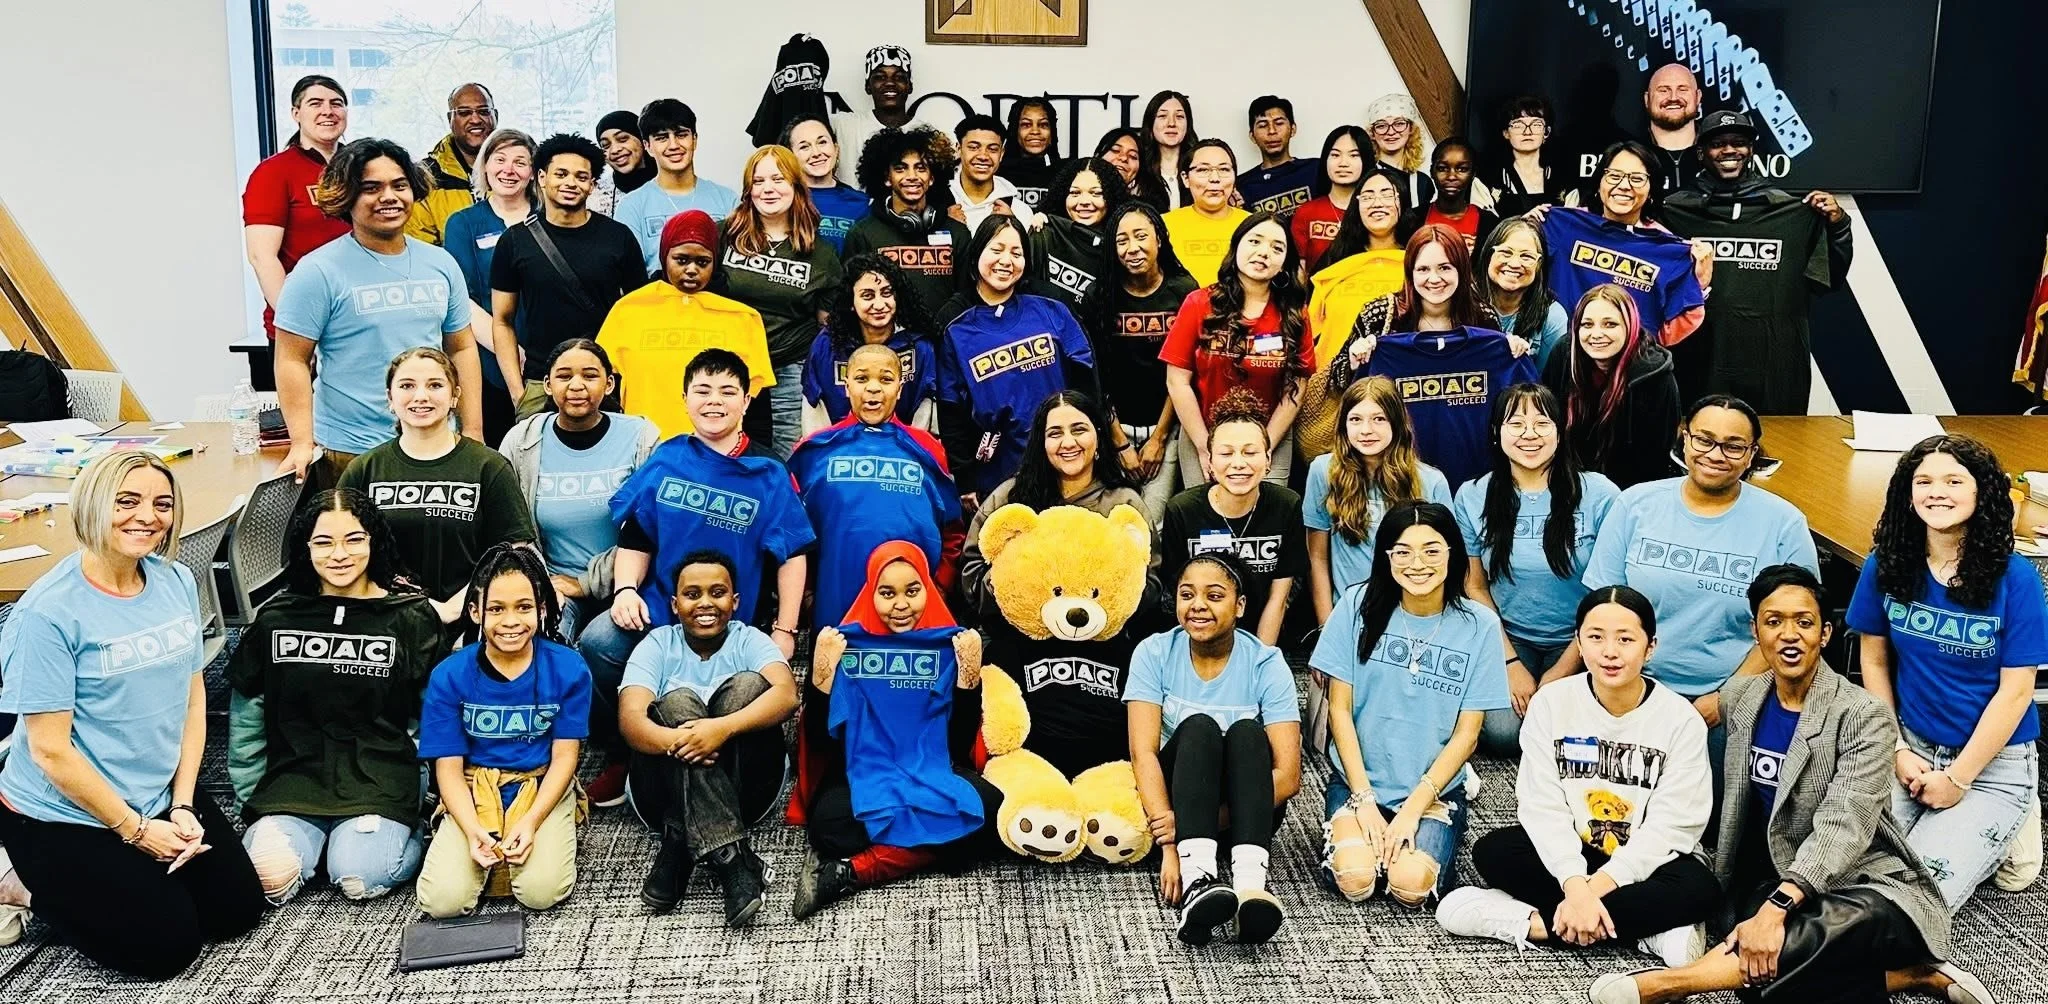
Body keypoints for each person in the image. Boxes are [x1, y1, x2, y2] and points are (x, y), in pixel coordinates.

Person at [1587, 564, 1990, 1004]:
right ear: (1755, 632)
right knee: (1767, 976)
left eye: (1804, 622)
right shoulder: (1740, 697)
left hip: (1862, 881)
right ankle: (1912, 976)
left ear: (1825, 633)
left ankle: (1672, 984)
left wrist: (1779, 908)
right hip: (1769, 873)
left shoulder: (1863, 715)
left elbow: (1845, 825)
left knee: (1789, 944)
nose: (1789, 635)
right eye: (1774, 621)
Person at [0, 452, 264, 979]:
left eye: (162, 504)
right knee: (165, 949)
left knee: (236, 912)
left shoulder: (175, 580)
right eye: (127, 501)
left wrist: (182, 803)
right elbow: (50, 752)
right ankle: (20, 886)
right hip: (62, 812)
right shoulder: (45, 614)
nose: (148, 516)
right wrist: (138, 832)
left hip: (155, 789)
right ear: (93, 505)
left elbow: (193, 699)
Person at [1438, 586, 1719, 969]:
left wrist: (1592, 891)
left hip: (1644, 857)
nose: (1610, 652)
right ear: (1579, 642)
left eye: (1625, 639)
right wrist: (1574, 883)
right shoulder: (1552, 703)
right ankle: (1645, 930)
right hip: (1576, 846)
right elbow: (1542, 805)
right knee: (1495, 851)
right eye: (1596, 637)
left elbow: (1672, 826)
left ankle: (1531, 923)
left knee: (1701, 889)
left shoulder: (1680, 719)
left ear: (1650, 647)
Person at [580, 349, 814, 805]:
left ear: (746, 401)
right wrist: (625, 590)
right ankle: (626, 750)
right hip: (660, 610)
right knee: (597, 641)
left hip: (728, 620)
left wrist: (785, 630)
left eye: (727, 391)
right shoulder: (666, 459)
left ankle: (731, 765)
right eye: (703, 390)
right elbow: (637, 536)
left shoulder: (769, 472)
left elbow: (793, 554)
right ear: (685, 399)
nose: (714, 401)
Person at [1851, 435, 2047, 913]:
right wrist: (1895, 748)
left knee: (1921, 892)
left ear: (1982, 492)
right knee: (1851, 862)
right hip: (1911, 743)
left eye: (1954, 481)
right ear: (1907, 492)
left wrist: (1958, 779)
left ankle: (2014, 815)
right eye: (1924, 481)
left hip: (1992, 759)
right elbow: (1873, 661)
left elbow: (2016, 692)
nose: (1937, 492)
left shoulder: (2016, 577)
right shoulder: (1886, 563)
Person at [228, 488, 446, 906]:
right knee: (268, 878)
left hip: (380, 777)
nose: (339, 554)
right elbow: (246, 718)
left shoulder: (411, 617)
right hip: (295, 779)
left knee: (359, 877)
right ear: (305, 547)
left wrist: (425, 790)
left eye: (354, 539)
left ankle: (405, 830)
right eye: (324, 542)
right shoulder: (276, 619)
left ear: (374, 541)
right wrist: (251, 796)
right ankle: (318, 839)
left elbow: (433, 717)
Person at [1583, 395, 1819, 737]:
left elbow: (1794, 630)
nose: (1715, 455)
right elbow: (1604, 606)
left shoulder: (1784, 524)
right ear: (1685, 439)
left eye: (1733, 446)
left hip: (1734, 697)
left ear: (1752, 454)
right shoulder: (1634, 504)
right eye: (1704, 440)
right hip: (1630, 686)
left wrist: (1726, 697)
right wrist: (1628, 687)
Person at [787, 543, 1001, 919]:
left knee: (994, 811)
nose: (901, 604)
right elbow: (822, 741)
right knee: (828, 826)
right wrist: (821, 680)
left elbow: (957, 747)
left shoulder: (950, 645)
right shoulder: (844, 646)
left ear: (928, 590)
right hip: (861, 773)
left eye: (912, 591)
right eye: (887, 593)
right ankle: (929, 847)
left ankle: (854, 871)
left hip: (933, 770)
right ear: (871, 592)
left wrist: (968, 682)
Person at [1312, 501, 1507, 907]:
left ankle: (1440, 824)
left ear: (1453, 553)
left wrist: (1412, 810)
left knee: (1410, 885)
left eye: (1431, 550)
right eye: (1402, 551)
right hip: (1359, 780)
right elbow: (1339, 711)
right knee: (1356, 878)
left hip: (1433, 788)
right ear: (1386, 557)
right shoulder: (1356, 605)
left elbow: (1468, 735)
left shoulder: (1481, 625)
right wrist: (1364, 801)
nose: (1417, 564)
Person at [273, 137, 484, 484]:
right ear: (346, 196)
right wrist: (301, 442)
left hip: (433, 444)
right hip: (350, 452)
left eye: (399, 185)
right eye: (371, 188)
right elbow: (292, 359)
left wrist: (472, 430)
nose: (389, 197)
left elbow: (460, 348)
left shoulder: (441, 263)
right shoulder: (317, 271)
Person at [1127, 551, 1302, 945]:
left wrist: (1202, 820)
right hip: (1175, 806)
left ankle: (1251, 889)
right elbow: (1143, 753)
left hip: (1243, 815)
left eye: (1214, 595)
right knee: (1200, 728)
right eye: (1187, 594)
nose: (1198, 605)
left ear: (1240, 606)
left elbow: (1289, 777)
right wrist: (1171, 843)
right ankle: (1198, 882)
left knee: (1247, 733)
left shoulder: (1266, 663)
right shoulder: (1154, 652)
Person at [620, 550, 797, 925]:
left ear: (735, 601)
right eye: (692, 594)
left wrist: (720, 729)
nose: (705, 603)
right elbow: (631, 720)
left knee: (748, 684)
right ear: (675, 604)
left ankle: (678, 840)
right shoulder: (657, 644)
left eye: (717, 593)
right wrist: (685, 742)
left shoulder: (749, 640)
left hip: (748, 791)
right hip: (658, 794)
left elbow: (787, 696)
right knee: (679, 702)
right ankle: (733, 858)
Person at [414, 544, 591, 919]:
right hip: (473, 785)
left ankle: (550, 829)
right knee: (442, 901)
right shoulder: (449, 675)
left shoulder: (569, 668)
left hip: (539, 782)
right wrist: (471, 829)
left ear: (542, 609)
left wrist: (531, 821)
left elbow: (565, 757)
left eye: (524, 607)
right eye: (496, 609)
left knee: (541, 892)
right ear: (475, 612)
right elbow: (448, 768)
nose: (511, 621)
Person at [1454, 383, 1619, 754]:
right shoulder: (1472, 495)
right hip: (1512, 637)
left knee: (1583, 731)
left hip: (1585, 639)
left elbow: (1609, 594)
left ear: (1560, 432)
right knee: (1502, 733)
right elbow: (1475, 586)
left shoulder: (1600, 494)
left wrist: (1563, 669)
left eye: (1542, 423)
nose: (1529, 434)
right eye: (1516, 423)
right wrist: (1510, 662)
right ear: (1497, 433)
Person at [1662, 110, 1854, 413]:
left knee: (1778, 440)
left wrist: (1839, 225)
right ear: (1701, 153)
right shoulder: (1673, 214)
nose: (1729, 150)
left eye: (1738, 142)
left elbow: (1828, 278)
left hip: (1773, 369)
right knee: (1697, 438)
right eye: (1718, 144)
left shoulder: (1791, 213)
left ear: (1751, 150)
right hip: (1697, 365)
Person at [338, 347, 535, 626]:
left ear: (455, 395)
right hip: (383, 619)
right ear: (390, 398)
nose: (421, 396)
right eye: (407, 386)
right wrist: (394, 602)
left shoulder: (489, 466)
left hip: (467, 620)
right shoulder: (364, 469)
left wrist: (454, 608)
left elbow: (514, 551)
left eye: (435, 385)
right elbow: (339, 549)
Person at [1337, 224, 1535, 488]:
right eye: (1423, 269)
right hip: (1396, 475)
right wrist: (1354, 360)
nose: (1434, 278)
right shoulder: (1380, 315)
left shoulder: (1482, 318)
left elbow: (1511, 397)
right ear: (1410, 272)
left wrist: (1511, 349)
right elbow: (1343, 385)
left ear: (1461, 269)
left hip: (1472, 477)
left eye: (1444, 268)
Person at [788, 343, 962, 626]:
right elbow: (793, 533)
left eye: (885, 379)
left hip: (913, 610)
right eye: (861, 378)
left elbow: (952, 529)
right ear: (846, 387)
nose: (873, 388)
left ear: (900, 389)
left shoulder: (928, 449)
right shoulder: (814, 451)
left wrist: (941, 585)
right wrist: (805, 594)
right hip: (836, 608)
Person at [497, 339, 660, 642]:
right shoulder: (522, 441)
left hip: (629, 585)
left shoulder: (640, 437)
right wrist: (541, 583)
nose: (576, 385)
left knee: (601, 642)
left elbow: (652, 526)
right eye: (564, 376)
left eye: (589, 375)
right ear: (547, 385)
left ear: (609, 384)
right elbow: (509, 528)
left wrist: (586, 584)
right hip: (549, 586)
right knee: (544, 636)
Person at [932, 215, 1097, 506]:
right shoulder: (954, 323)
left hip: (1065, 462)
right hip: (998, 473)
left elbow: (1087, 379)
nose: (1006, 261)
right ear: (977, 252)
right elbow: (951, 409)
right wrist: (965, 478)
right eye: (996, 250)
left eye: (1016, 252)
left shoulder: (1051, 305)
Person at [489, 132, 646, 423]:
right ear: (541, 177)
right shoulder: (515, 241)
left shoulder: (618, 238)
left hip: (605, 380)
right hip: (541, 381)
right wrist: (517, 391)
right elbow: (502, 320)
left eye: (581, 176)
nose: (571, 183)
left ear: (592, 185)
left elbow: (640, 313)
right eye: (561, 174)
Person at [958, 390, 1153, 622]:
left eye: (1079, 430)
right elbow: (971, 574)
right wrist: (1013, 575)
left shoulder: (1124, 503)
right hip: (1017, 638)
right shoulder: (1010, 498)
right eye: (1055, 433)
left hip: (1105, 637)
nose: (1068, 442)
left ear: (1099, 435)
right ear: (1041, 443)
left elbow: (1151, 582)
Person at [1163, 211, 1314, 485]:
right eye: (1255, 241)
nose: (1264, 252)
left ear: (1284, 264)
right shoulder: (1199, 303)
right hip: (1202, 432)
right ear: (1236, 248)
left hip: (1272, 435)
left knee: (1266, 511)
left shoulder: (1294, 314)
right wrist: (1205, 446)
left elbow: (1296, 389)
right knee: (1206, 510)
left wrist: (1264, 447)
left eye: (1277, 248)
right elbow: (1177, 381)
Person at [595, 209, 775, 437]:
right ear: (664, 256)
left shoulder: (742, 317)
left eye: (703, 262)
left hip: (716, 448)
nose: (691, 270)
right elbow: (603, 385)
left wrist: (755, 453)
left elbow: (757, 403)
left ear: (715, 262)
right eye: (681, 260)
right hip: (643, 446)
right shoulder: (628, 309)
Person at [720, 144, 844, 457]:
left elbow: (826, 324)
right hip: (728, 365)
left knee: (786, 455)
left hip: (789, 367)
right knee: (724, 451)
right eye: (758, 181)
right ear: (748, 190)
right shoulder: (723, 235)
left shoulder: (821, 252)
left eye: (778, 179)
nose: (768, 189)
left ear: (795, 186)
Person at [1159, 390, 1306, 647]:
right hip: (1199, 637)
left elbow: (1279, 597)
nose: (1238, 463)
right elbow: (1179, 597)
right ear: (1210, 462)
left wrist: (1259, 659)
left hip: (1262, 636)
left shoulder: (1286, 505)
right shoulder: (1182, 510)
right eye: (1226, 454)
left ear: (1268, 459)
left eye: (1250, 453)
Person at [1305, 376, 1453, 624]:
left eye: (1379, 419)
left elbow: (1447, 559)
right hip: (1351, 616)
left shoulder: (1431, 481)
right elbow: (1317, 558)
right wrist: (1326, 625)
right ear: (1343, 425)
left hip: (1414, 614)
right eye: (1355, 419)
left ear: (1397, 422)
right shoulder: (1324, 471)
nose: (1366, 430)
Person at [1534, 141, 1708, 347]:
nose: (1624, 185)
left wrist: (1697, 283)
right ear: (1599, 182)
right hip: (1562, 354)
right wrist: (1527, 227)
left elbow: (1676, 324)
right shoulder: (1563, 225)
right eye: (1614, 176)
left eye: (1637, 179)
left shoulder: (1667, 248)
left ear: (1651, 190)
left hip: (1629, 361)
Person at [1296, 169, 1414, 462]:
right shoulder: (1334, 262)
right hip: (1336, 391)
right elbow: (1310, 332)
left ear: (1403, 202)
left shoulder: (1420, 263)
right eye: (1368, 195)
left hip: (1400, 392)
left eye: (1387, 194)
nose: (1377, 202)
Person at [1101, 202, 1199, 524]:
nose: (1132, 248)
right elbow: (1094, 376)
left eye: (1141, 236)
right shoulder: (1101, 294)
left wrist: (1158, 439)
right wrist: (1119, 444)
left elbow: (1185, 373)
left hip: (1167, 430)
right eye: (1122, 240)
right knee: (1115, 525)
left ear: (1159, 238)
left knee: (1152, 525)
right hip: (1113, 432)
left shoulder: (1184, 291)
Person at [442, 128, 538, 445]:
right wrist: (509, 350)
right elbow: (461, 299)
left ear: (533, 172)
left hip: (547, 358)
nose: (509, 170)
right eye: (500, 159)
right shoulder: (463, 223)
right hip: (486, 361)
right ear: (484, 166)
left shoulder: (548, 219)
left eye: (520, 162)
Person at [1541, 284, 1682, 488]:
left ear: (1630, 326)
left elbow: (1655, 458)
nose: (1596, 334)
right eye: (1587, 324)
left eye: (1610, 324)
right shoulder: (1564, 354)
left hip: (1629, 488)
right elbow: (1547, 419)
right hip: (1568, 480)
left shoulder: (1656, 377)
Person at [243, 74, 350, 342]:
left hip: (358, 320)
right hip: (305, 326)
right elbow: (262, 257)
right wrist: (297, 325)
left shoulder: (362, 167)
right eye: (316, 103)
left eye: (336, 103)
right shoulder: (274, 172)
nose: (328, 111)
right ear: (296, 113)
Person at [843, 126, 973, 317]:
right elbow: (850, 300)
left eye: (921, 168)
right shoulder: (863, 234)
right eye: (900, 168)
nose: (912, 176)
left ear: (932, 178)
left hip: (945, 334)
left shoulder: (958, 233)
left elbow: (967, 297)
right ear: (887, 178)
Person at [802, 252, 939, 432]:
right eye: (868, 296)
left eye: (887, 293)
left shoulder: (919, 346)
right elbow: (814, 408)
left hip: (904, 445)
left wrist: (909, 447)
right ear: (851, 301)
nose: (879, 305)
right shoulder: (828, 344)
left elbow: (925, 414)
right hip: (840, 444)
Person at [614, 99, 741, 275]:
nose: (673, 145)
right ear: (648, 146)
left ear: (694, 140)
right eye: (662, 138)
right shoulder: (631, 206)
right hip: (656, 292)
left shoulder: (728, 200)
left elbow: (739, 268)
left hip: (717, 292)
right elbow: (629, 274)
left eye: (681, 135)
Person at [1030, 156, 1124, 316]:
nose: (1084, 201)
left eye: (1096, 193)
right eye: (1074, 193)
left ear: (1111, 196)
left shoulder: (1122, 245)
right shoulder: (1044, 233)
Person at [407, 82, 497, 246]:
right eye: (464, 113)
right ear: (450, 119)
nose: (475, 119)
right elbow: (419, 248)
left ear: (495, 116)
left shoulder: (519, 170)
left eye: (483, 111)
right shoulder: (426, 178)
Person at [1474, 217, 1569, 373]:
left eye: (1527, 256)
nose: (1514, 264)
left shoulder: (1552, 315)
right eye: (1506, 252)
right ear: (1488, 255)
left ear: (1540, 265)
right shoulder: (1462, 302)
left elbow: (1547, 382)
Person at [833, 44, 932, 184]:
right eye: (880, 77)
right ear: (868, 86)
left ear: (909, 86)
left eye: (899, 77)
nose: (890, 83)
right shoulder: (843, 125)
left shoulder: (927, 135)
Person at [1161, 139, 1250, 287]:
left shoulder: (1253, 225)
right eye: (1203, 170)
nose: (1215, 179)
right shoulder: (1163, 225)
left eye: (1224, 169)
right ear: (1185, 178)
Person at [783, 114, 870, 252]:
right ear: (791, 156)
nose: (816, 153)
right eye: (804, 147)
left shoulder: (862, 203)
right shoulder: (782, 200)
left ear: (836, 149)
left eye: (822, 142)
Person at [1291, 125, 1372, 271]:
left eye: (1354, 155)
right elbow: (1300, 272)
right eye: (1335, 155)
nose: (1343, 163)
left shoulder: (1375, 210)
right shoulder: (1307, 212)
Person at [1484, 94, 1573, 219]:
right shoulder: (1489, 180)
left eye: (1536, 124)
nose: (1527, 132)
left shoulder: (1564, 181)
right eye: (1518, 125)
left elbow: (1571, 225)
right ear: (1506, 133)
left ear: (1546, 132)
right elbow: (1484, 226)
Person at [949, 113, 1036, 234]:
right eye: (973, 147)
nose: (983, 156)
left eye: (993, 149)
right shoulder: (940, 203)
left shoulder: (1019, 211)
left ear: (1001, 154)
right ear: (959, 149)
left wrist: (1013, 227)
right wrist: (944, 224)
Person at [1239, 96, 1318, 217]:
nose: (1272, 131)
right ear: (1252, 136)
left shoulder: (1317, 169)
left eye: (1279, 123)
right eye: (1262, 125)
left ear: (1293, 129)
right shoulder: (1241, 185)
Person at [1422, 137, 1500, 252]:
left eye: (1462, 169)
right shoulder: (1413, 219)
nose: (1451, 176)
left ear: (1473, 174)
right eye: (1442, 168)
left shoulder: (1490, 224)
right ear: (1432, 172)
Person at [1640, 63, 1702, 203]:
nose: (1673, 97)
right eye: (1663, 90)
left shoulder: (1715, 154)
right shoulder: (1630, 155)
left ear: (1698, 97)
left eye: (1682, 89)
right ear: (1647, 99)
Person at [1365, 92, 1432, 212]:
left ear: (1411, 129)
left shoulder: (1423, 183)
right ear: (1372, 133)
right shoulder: (1364, 176)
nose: (1391, 132)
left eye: (1399, 123)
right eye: (1381, 125)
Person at [998, 96, 1060, 212]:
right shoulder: (997, 174)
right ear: (1015, 131)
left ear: (1052, 133)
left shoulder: (1065, 173)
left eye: (1043, 125)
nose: (1035, 131)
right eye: (1026, 125)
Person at [591, 109, 655, 218]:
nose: (615, 150)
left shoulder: (671, 182)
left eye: (622, 139)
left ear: (642, 140)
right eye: (606, 145)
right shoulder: (596, 195)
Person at [1139, 90, 1197, 210]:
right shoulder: (1138, 170)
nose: (1171, 123)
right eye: (1162, 116)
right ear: (1150, 123)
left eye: (1179, 116)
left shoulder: (1199, 168)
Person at [1095, 126, 1172, 211]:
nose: (1124, 158)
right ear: (1098, 155)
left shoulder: (1140, 210)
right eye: (1115, 150)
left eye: (1133, 156)